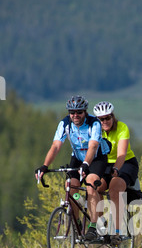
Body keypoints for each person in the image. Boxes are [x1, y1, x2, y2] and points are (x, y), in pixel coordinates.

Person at [35, 95, 111, 240]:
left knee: (90, 182)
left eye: (79, 112)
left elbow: (93, 146)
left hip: (96, 158)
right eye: (72, 112)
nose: (75, 115)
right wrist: (44, 166)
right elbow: (56, 146)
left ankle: (93, 227)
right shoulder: (65, 124)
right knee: (71, 187)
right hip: (77, 158)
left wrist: (86, 164)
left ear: (85, 112)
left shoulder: (93, 123)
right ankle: (76, 223)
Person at [93, 101, 139, 242]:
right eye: (101, 119)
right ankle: (100, 223)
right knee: (96, 186)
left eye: (108, 118)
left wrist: (116, 169)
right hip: (105, 163)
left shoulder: (122, 128)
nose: (105, 121)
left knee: (114, 189)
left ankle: (117, 232)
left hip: (125, 163)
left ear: (113, 117)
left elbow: (122, 154)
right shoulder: (95, 130)